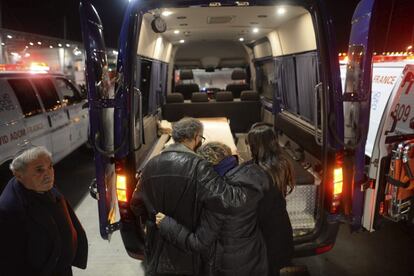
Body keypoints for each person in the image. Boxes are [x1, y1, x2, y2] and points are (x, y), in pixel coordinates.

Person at [156, 124, 294, 276]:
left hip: (234, 265)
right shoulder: (260, 174)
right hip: (261, 252)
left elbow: (198, 242)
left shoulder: (220, 197)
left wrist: (167, 224)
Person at [130, 117, 249, 276]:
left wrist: (155, 220)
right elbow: (230, 201)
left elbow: (136, 204)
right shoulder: (199, 168)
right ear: (196, 137)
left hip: (157, 251)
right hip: (188, 255)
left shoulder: (150, 166)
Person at [0, 146, 88, 276]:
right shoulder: (8, 209)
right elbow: (9, 262)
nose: (48, 174)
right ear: (19, 175)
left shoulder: (47, 188)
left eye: (50, 166)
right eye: (39, 170)